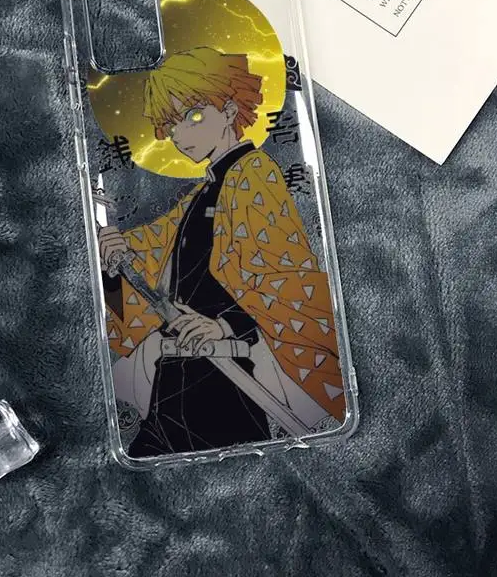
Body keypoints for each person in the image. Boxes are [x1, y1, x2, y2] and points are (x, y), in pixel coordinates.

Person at [98, 47, 344, 457]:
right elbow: (150, 252)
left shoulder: (253, 174)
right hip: (176, 374)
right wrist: (112, 258)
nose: (179, 134)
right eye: (169, 125)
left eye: (193, 116)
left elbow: (288, 278)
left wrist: (226, 325)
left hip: (224, 380)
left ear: (229, 110)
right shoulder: (202, 192)